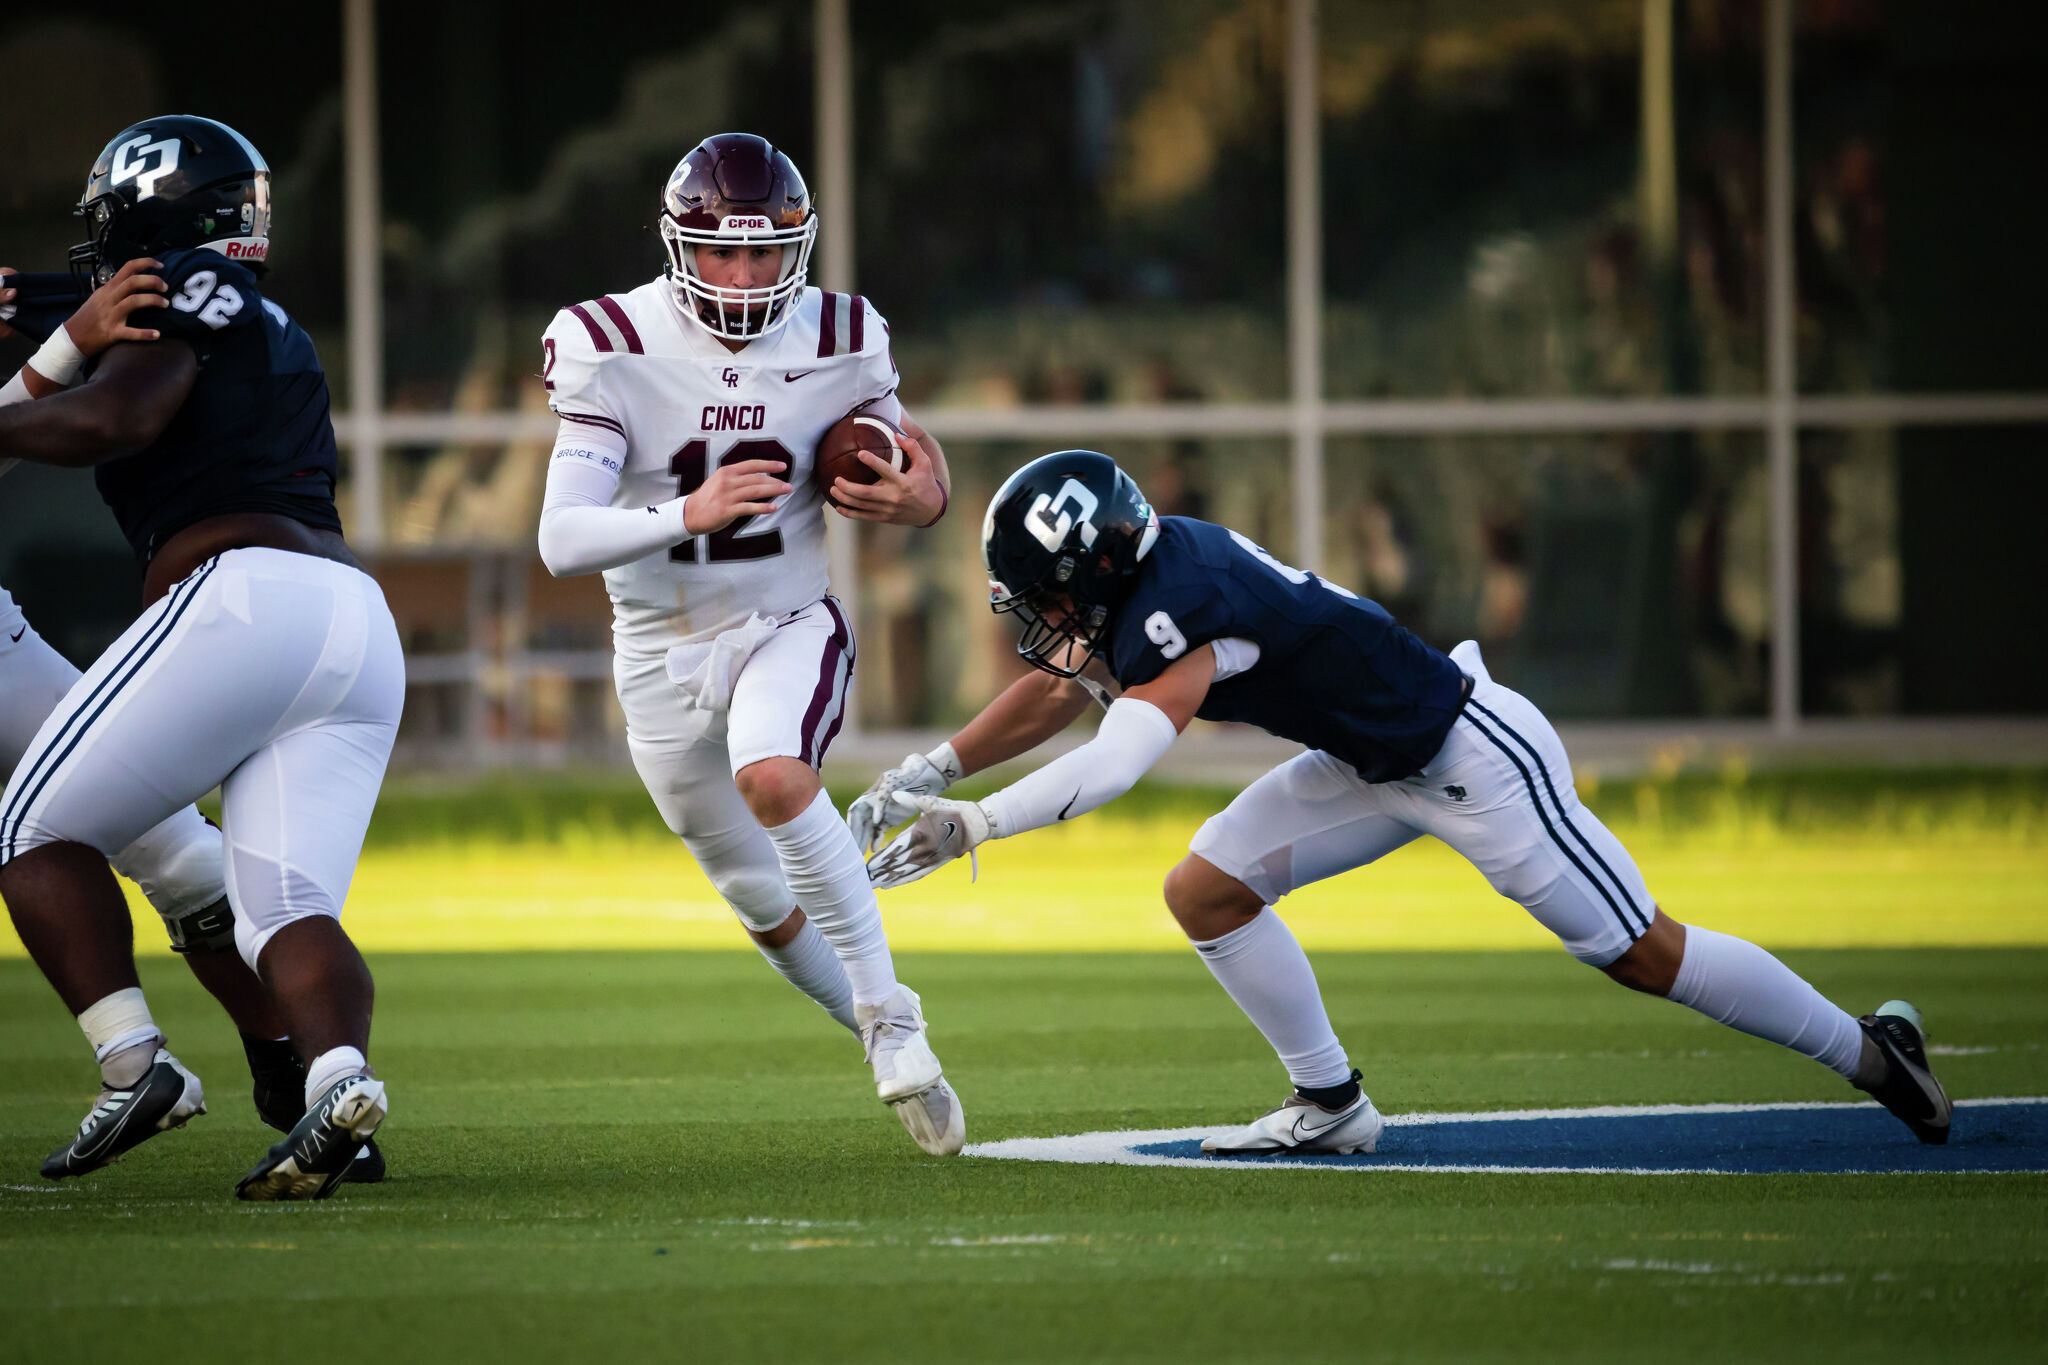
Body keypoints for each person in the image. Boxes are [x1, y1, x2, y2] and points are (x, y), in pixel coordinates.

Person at [851, 450, 1952, 1155]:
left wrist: (982, 825)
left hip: (1467, 753)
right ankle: (1329, 1105)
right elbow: (1063, 688)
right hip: (1368, 761)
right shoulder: (1146, 578)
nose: (1041, 615)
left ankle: (1869, 1055)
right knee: (1206, 891)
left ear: (1093, 566)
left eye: (1044, 592)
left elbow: (1123, 753)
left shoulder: (1177, 603)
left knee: (1639, 954)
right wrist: (938, 769)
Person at [535, 133, 963, 1155]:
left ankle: (889, 1014)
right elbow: (560, 537)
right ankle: (875, 1033)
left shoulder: (845, 334)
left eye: (764, 253)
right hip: (654, 647)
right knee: (757, 898)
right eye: (720, 253)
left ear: (797, 248)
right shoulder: (609, 338)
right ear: (679, 246)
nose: (742, 275)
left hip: (784, 619)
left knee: (773, 777)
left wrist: (923, 494)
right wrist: (691, 510)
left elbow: (908, 453)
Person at [0, 115, 403, 1199]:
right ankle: (341, 1090)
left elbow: (113, 419)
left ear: (146, 218)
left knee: (36, 832)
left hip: (241, 599)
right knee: (284, 907)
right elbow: (106, 319)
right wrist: (46, 312)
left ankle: (135, 1059)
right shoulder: (256, 313)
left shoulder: (179, 292)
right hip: (354, 626)